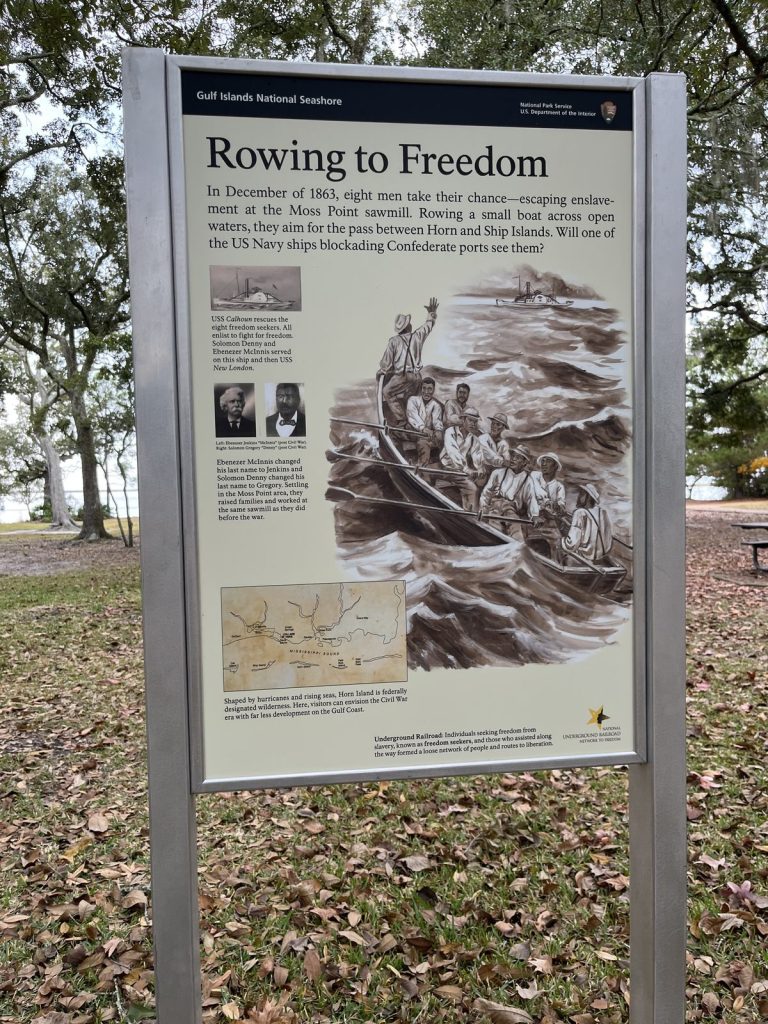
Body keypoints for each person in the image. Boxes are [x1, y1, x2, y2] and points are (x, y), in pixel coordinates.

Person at [377, 298, 439, 427]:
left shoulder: (394, 341)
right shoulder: (417, 336)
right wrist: (431, 314)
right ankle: (416, 424)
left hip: (402, 377)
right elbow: (428, 326)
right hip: (417, 377)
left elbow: (386, 364)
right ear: (408, 326)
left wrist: (382, 371)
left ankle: (401, 420)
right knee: (413, 400)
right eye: (409, 323)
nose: (411, 324)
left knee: (387, 392)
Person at [478, 444, 540, 532]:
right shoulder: (498, 473)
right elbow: (486, 493)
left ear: (524, 462)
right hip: (495, 506)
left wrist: (535, 516)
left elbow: (531, 499)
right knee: (494, 526)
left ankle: (516, 544)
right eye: (513, 456)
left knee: (515, 527)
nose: (513, 459)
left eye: (518, 457)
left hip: (511, 509)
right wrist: (483, 509)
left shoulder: (528, 480)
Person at [439, 406, 483, 511]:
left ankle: (470, 514)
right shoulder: (450, 432)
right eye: (470, 420)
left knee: (474, 488)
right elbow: (453, 452)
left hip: (459, 471)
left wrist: (480, 468)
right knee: (472, 488)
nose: (473, 424)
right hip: (445, 468)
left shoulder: (474, 439)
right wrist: (466, 469)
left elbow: (477, 455)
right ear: (463, 420)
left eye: (475, 422)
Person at [562, 483, 613, 562]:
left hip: (585, 556)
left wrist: (562, 541)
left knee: (557, 544)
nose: (578, 497)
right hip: (601, 555)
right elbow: (608, 539)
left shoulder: (580, 513)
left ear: (588, 497)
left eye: (581, 494)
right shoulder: (603, 512)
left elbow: (572, 544)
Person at [406, 377, 444, 467]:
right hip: (413, 432)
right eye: (424, 388)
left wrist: (438, 430)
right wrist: (423, 428)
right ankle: (423, 469)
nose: (426, 392)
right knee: (423, 443)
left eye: (429, 389)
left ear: (433, 390)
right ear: (421, 389)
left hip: (427, 435)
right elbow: (412, 416)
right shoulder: (413, 400)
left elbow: (437, 421)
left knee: (441, 440)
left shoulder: (436, 405)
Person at [476, 412, 511, 484]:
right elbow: (489, 456)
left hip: (498, 473)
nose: (494, 426)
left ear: (503, 427)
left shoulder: (504, 444)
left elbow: (507, 459)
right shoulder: (483, 438)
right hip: (484, 471)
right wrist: (503, 462)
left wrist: (506, 462)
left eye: (498, 424)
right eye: (493, 423)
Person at [530, 452, 566, 520]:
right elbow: (536, 493)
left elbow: (561, 504)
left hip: (548, 518)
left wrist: (558, 506)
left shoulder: (559, 486)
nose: (544, 464)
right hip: (532, 515)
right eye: (543, 461)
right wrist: (547, 502)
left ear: (555, 466)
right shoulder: (534, 475)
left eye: (548, 461)